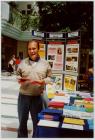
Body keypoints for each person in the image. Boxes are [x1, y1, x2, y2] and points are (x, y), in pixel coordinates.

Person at [16, 40, 52, 138]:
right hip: (23, 97)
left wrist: (43, 81)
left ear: (38, 49)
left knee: (37, 123)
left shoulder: (45, 63)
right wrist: (19, 79)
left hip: (37, 98)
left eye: (34, 48)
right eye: (29, 49)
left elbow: (50, 77)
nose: (32, 51)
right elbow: (17, 75)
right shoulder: (23, 63)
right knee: (22, 122)